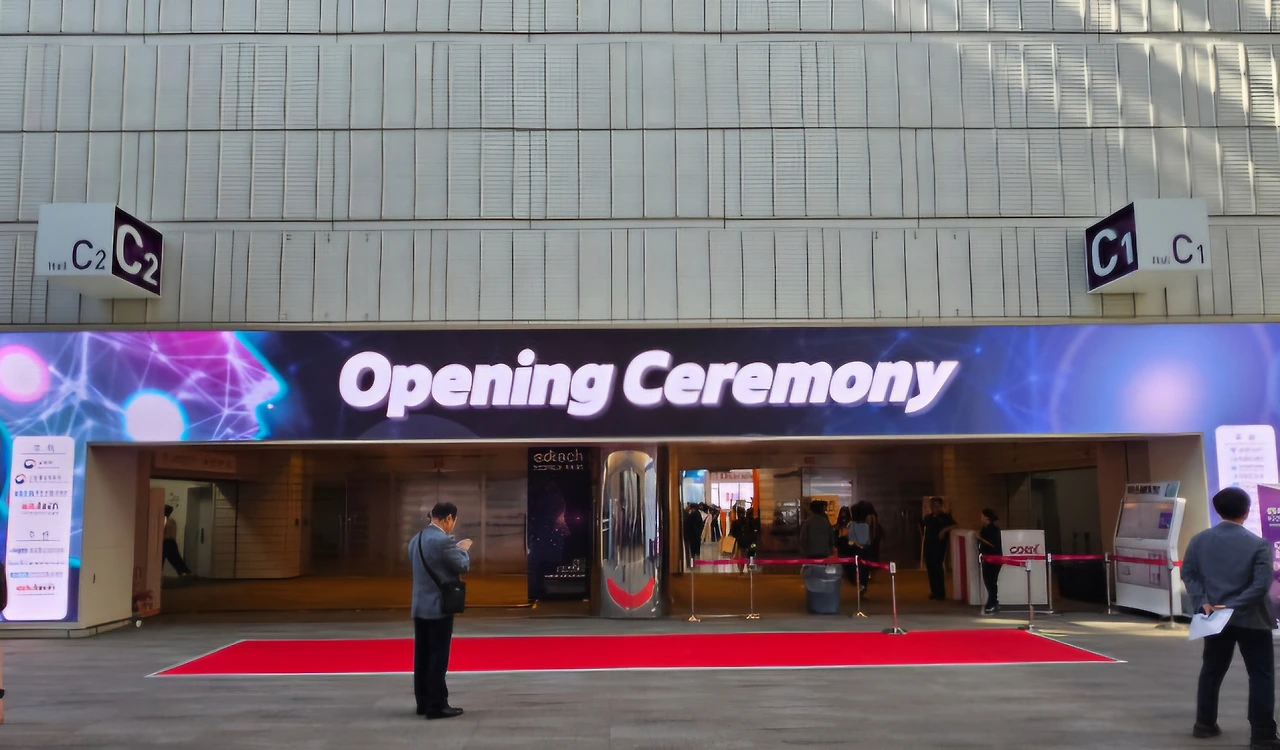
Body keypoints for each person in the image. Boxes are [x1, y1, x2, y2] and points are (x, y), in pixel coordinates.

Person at [1182, 487, 1280, 749]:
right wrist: (1233, 605)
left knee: (1212, 670)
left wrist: (1203, 602)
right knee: (1260, 675)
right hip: (1252, 619)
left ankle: (1204, 724)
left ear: (1218, 510)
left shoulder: (1199, 540)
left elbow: (1189, 573)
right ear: (1246, 511)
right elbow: (1261, 585)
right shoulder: (1257, 544)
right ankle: (1262, 734)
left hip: (1213, 617)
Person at [410, 502, 472, 720]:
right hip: (438, 606)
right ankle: (437, 705)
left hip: (419, 605)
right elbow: (462, 566)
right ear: (448, 518)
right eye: (453, 521)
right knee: (438, 655)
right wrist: (462, 550)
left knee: (422, 656)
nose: (452, 525)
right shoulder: (443, 541)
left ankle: (423, 702)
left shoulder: (415, 539)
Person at [920, 497, 957, 600]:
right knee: (930, 567)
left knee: (937, 566)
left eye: (936, 506)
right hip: (929, 544)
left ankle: (940, 592)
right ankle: (934, 591)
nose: (934, 508)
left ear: (940, 506)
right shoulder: (928, 517)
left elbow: (955, 525)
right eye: (933, 506)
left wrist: (944, 531)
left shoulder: (945, 516)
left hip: (939, 545)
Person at [850, 501, 884, 595]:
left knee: (861, 568)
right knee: (865, 568)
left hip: (860, 550)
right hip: (870, 550)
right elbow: (879, 536)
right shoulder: (874, 522)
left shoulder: (858, 523)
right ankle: (863, 584)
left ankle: (862, 584)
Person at [977, 509, 1003, 615]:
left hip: (993, 558)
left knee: (991, 581)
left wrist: (980, 539)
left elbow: (993, 545)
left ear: (987, 518)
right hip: (986, 558)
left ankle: (992, 602)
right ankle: (993, 601)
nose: (980, 518)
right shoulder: (984, 529)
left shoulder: (993, 530)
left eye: (982, 516)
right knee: (988, 581)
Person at [161, 505, 192, 577]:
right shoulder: (172, 521)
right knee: (175, 558)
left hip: (165, 542)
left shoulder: (164, 521)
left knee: (161, 559)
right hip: (172, 542)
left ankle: (184, 572)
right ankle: (184, 572)